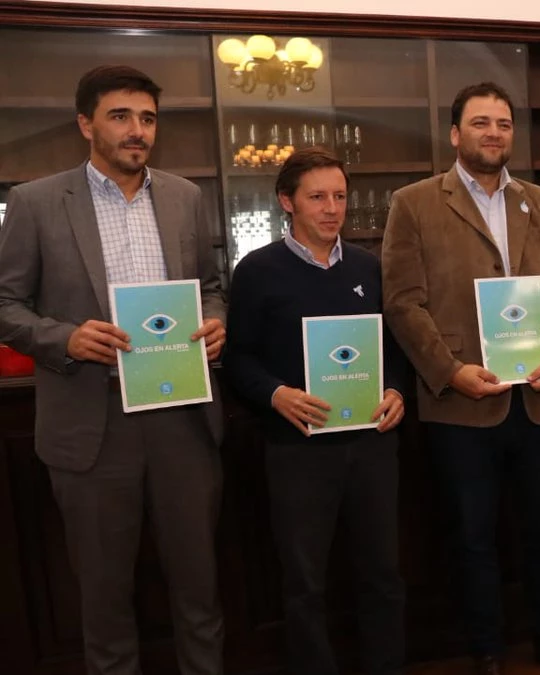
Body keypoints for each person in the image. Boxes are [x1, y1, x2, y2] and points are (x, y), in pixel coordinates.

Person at [0, 65, 226, 675]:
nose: (137, 130)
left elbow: (210, 287)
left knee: (200, 591)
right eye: (120, 116)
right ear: (86, 124)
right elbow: (4, 304)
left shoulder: (184, 196)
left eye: (148, 118)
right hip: (92, 425)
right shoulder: (36, 201)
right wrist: (66, 338)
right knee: (104, 601)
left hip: (182, 418)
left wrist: (214, 321)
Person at [380, 81, 540, 675]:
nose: (494, 133)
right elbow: (403, 303)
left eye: (504, 124)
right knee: (473, 537)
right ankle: (486, 650)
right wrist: (449, 371)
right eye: (481, 123)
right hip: (462, 403)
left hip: (539, 401)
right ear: (455, 134)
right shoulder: (414, 203)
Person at [222, 147, 407, 675]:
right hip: (298, 449)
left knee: (383, 573)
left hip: (371, 444)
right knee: (304, 583)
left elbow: (395, 349)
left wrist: (396, 390)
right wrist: (275, 393)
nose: (332, 208)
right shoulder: (257, 271)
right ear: (288, 202)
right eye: (318, 197)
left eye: (340, 196)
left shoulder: (369, 267)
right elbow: (238, 359)